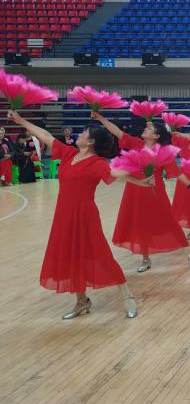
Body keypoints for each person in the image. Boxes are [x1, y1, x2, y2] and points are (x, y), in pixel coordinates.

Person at [6, 110, 148, 319]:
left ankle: (126, 295)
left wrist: (140, 180)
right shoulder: (68, 154)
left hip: (85, 215)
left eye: (84, 133)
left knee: (101, 255)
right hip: (64, 214)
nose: (79, 134)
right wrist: (20, 120)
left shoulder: (97, 163)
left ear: (90, 141)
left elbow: (115, 173)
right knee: (70, 256)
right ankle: (82, 301)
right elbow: (45, 135)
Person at [92, 112, 190, 272]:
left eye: (149, 129)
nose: (145, 129)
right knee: (140, 224)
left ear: (156, 136)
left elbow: (176, 172)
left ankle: (189, 255)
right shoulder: (137, 144)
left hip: (155, 191)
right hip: (134, 190)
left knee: (169, 222)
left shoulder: (164, 152)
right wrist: (101, 118)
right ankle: (145, 259)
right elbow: (117, 132)